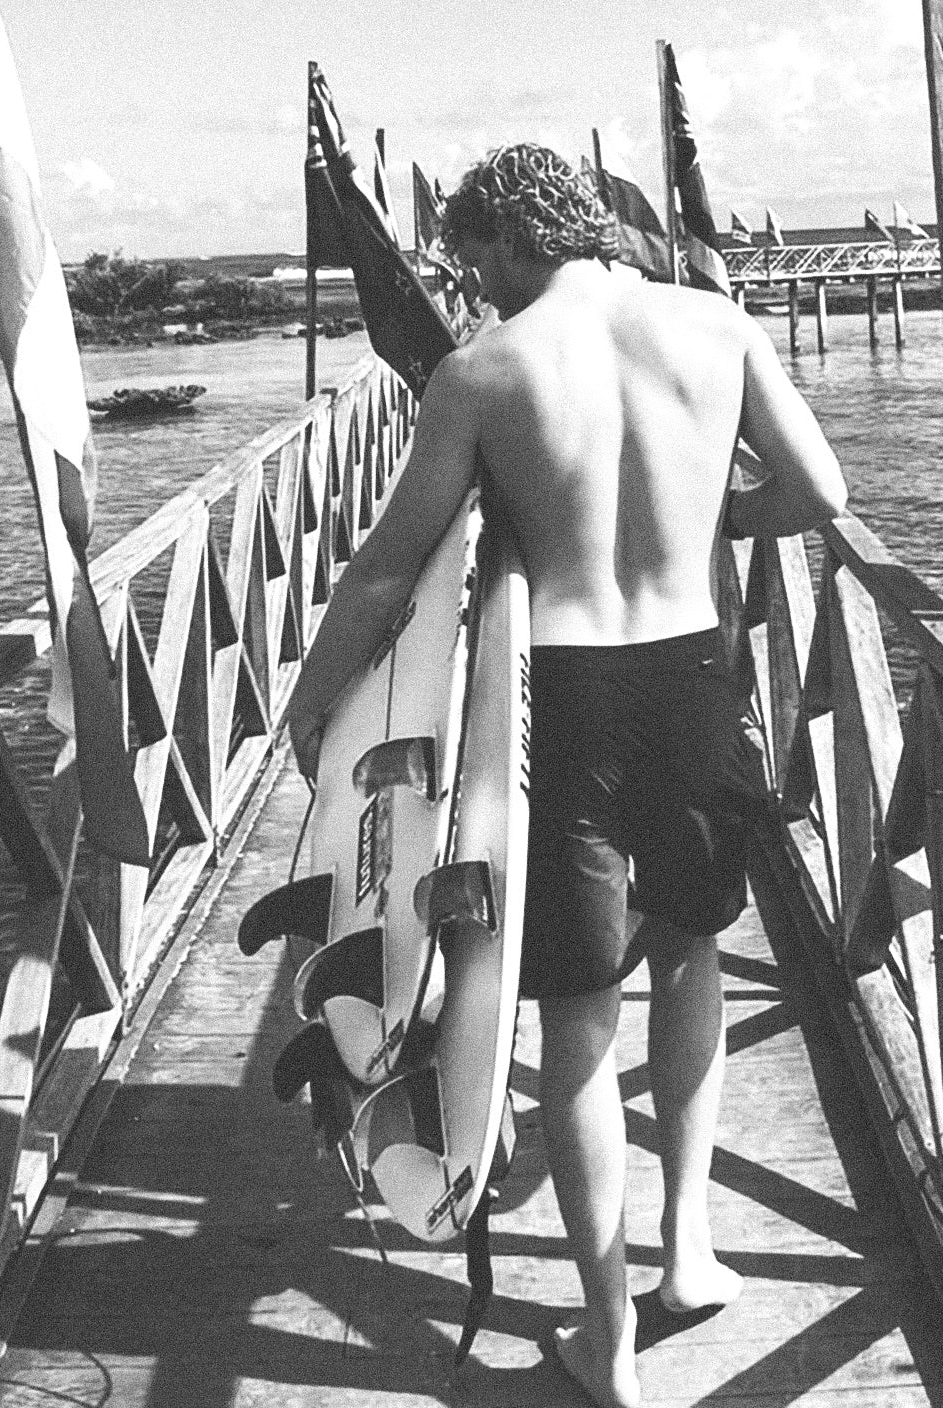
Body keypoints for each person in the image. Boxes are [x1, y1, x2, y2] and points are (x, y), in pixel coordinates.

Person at [288, 144, 847, 1408]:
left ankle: (610, 1337)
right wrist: (718, 518)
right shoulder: (717, 326)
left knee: (576, 1012)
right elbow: (819, 489)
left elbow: (390, 567)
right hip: (695, 678)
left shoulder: (483, 371)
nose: (467, 281)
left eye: (471, 255)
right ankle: (689, 1249)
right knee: (691, 955)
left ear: (510, 234)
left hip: (568, 699)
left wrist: (314, 701)